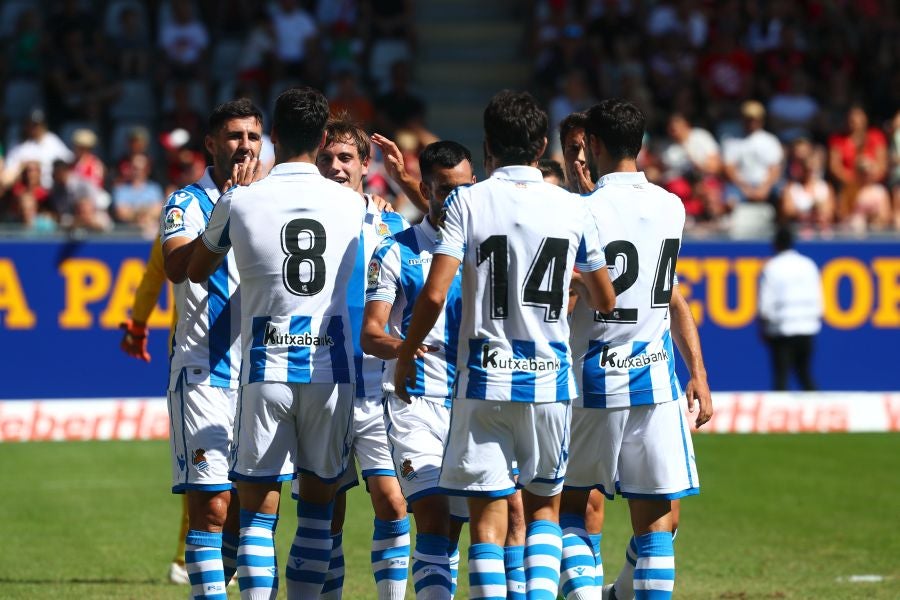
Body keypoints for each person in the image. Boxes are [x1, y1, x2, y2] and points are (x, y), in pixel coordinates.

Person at [393, 90, 616, 598]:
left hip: (483, 382)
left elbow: (432, 293)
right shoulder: (574, 209)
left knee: (487, 523)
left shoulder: (468, 201)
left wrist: (406, 356)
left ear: (488, 146)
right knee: (542, 511)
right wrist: (572, 285)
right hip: (548, 382)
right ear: (541, 145)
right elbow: (605, 298)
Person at [187, 87, 365, 599]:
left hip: (266, 366)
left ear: (275, 138)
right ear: (323, 138)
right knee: (317, 509)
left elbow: (197, 271)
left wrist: (227, 210)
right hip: (329, 368)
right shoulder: (353, 204)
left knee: (259, 513)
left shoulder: (241, 198)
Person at [563, 99, 713, 600]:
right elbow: (668, 294)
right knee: (655, 525)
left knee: (567, 511)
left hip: (591, 377)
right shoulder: (672, 205)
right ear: (642, 145)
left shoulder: (579, 210)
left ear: (595, 146)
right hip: (654, 375)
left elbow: (563, 298)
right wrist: (700, 374)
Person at [159, 98, 263, 598]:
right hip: (203, 369)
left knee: (251, 506)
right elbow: (178, 268)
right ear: (211, 144)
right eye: (234, 135)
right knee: (213, 505)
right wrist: (228, 207)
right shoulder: (185, 202)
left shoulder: (270, 202)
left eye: (253, 136)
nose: (245, 145)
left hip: (264, 373)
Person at [362, 140, 475, 599]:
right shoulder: (395, 251)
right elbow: (371, 332)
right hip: (415, 402)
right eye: (447, 189)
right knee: (431, 513)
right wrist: (407, 348)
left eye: (466, 188)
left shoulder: (488, 248)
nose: (458, 199)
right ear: (425, 189)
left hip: (478, 399)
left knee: (465, 527)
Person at [311, 116, 411, 600]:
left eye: (345, 157)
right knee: (326, 508)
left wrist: (406, 183)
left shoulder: (391, 223)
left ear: (364, 164)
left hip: (374, 384)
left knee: (392, 503)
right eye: (326, 157)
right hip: (320, 379)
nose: (335, 166)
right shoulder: (299, 216)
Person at [116, 237, 192, 586]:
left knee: (203, 467)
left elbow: (151, 278)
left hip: (194, 359)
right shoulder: (256, 206)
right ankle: (197, 556)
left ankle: (193, 556)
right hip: (243, 357)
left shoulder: (179, 214)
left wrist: (138, 325)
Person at [758, 227, 823, 391]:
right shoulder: (808, 264)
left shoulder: (772, 267)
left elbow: (765, 303)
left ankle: (779, 414)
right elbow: (818, 297)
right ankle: (816, 411)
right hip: (807, 328)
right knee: (805, 374)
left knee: (781, 378)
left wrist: (763, 327)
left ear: (776, 244)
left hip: (782, 330)